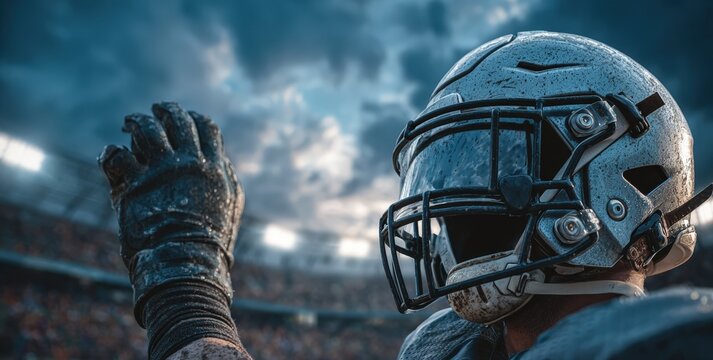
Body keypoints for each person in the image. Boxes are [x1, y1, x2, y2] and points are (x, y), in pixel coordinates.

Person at [98, 31, 713, 360]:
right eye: (445, 170)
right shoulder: (448, 346)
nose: (451, 204)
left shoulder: (668, 342)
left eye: (493, 167)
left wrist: (186, 293)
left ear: (619, 183)